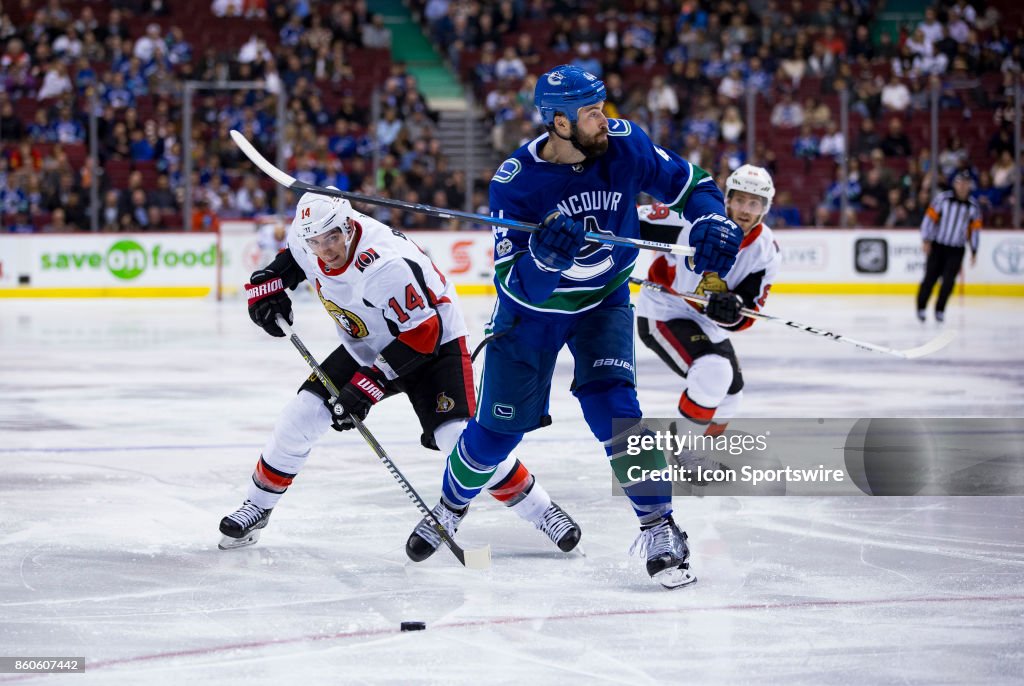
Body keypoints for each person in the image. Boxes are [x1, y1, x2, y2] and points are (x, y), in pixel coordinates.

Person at [404, 65, 743, 589]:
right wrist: (543, 259)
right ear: (558, 122)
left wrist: (710, 219)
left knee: (615, 409)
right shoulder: (515, 184)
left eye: (602, 107)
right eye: (590, 113)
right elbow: (517, 287)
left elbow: (689, 184)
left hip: (603, 303)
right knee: (496, 434)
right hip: (530, 317)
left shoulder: (626, 144)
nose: (603, 120)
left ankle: (660, 525)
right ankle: (450, 506)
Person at [219, 191, 581, 553]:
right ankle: (258, 505)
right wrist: (268, 286)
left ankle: (542, 510)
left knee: (459, 441)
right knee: (300, 417)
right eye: (317, 241)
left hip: (434, 343)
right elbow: (294, 262)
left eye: (332, 237)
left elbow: (423, 335)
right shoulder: (306, 239)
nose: (326, 249)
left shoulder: (384, 266)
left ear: (348, 225)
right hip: (370, 341)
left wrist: (366, 388)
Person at [635, 164, 780, 438]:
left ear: (765, 208)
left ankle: (699, 452)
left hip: (705, 322)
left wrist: (733, 309)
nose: (745, 210)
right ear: (727, 199)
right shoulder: (692, 220)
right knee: (714, 371)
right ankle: (684, 451)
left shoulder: (766, 250)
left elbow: (749, 308)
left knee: (730, 394)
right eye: (739, 200)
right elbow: (626, 222)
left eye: (754, 203)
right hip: (664, 310)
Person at [916, 170, 982, 322]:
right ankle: (921, 307)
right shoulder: (942, 199)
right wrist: (926, 240)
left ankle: (940, 310)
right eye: (960, 182)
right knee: (930, 279)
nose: (963, 186)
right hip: (938, 246)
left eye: (966, 183)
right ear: (955, 184)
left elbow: (975, 231)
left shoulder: (973, 207)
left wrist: (974, 250)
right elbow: (929, 220)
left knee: (948, 282)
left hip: (956, 249)